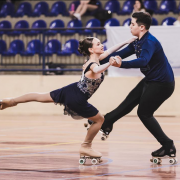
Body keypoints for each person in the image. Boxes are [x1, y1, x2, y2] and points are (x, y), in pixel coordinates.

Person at [0, 37, 135, 161]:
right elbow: (98, 69)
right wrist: (110, 64)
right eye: (98, 44)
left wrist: (127, 41)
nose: (102, 45)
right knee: (100, 119)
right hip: (77, 97)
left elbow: (112, 49)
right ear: (91, 49)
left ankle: (11, 101)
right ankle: (86, 146)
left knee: (40, 96)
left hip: (71, 90)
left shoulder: (96, 59)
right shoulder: (93, 64)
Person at [96, 12, 176, 160]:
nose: (129, 26)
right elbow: (120, 54)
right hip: (152, 79)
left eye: (132, 24)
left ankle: (168, 145)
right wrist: (95, 60)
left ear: (142, 27)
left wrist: (121, 64)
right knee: (129, 102)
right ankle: (107, 122)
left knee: (144, 113)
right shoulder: (138, 41)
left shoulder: (149, 42)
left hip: (162, 84)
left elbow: (143, 61)